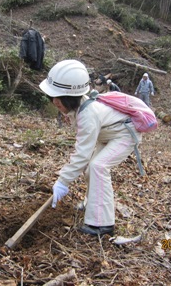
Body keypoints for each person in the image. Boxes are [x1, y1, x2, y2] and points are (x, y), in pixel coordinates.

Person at [39, 59, 142, 236]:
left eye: (59, 100)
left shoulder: (88, 114)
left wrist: (63, 181)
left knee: (98, 166)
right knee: (90, 171)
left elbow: (82, 154)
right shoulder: (79, 106)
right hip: (109, 133)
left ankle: (102, 224)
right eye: (53, 99)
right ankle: (92, 203)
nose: (55, 103)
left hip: (124, 134)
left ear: (71, 97)